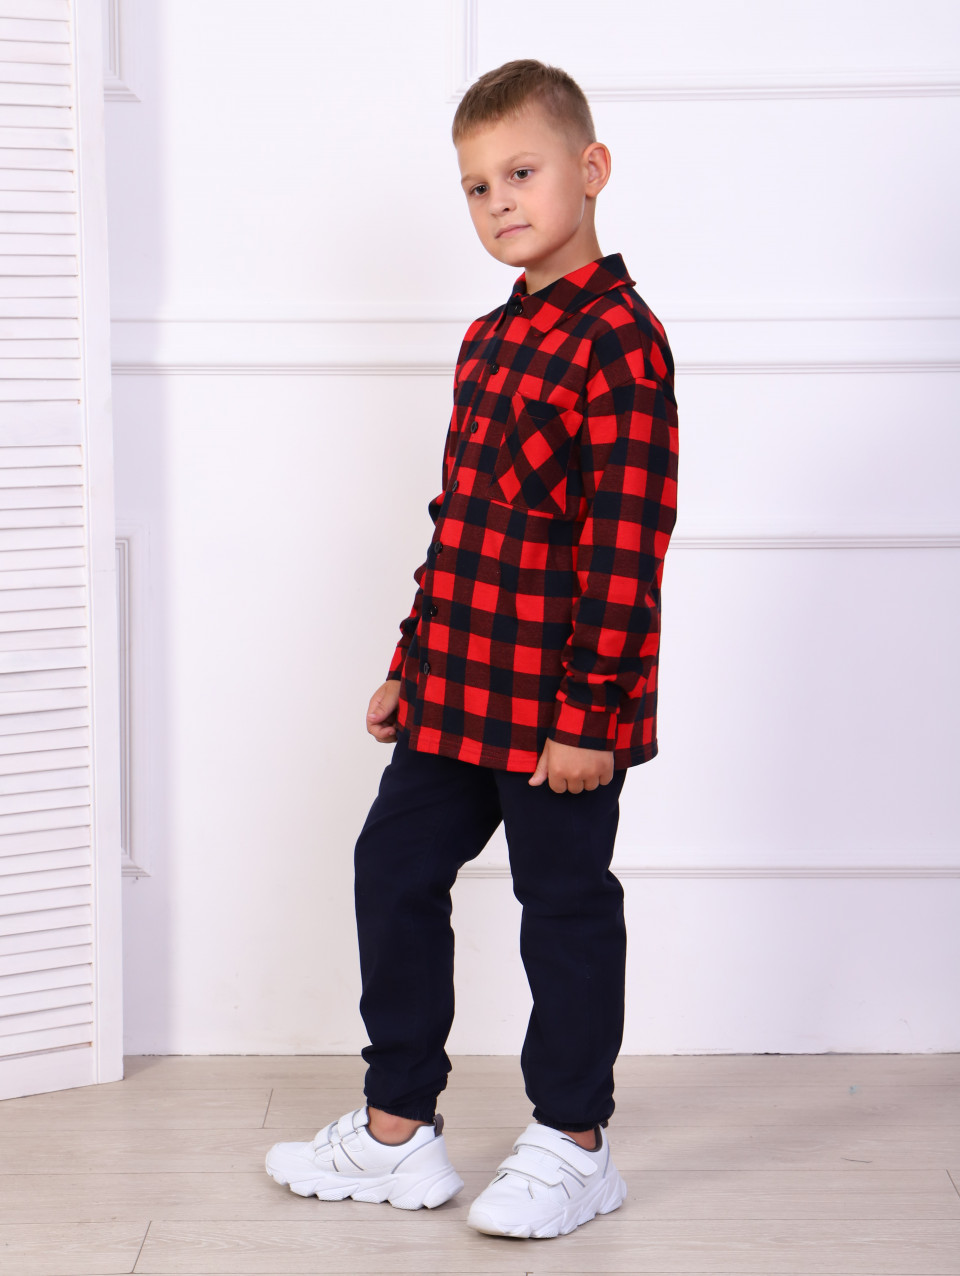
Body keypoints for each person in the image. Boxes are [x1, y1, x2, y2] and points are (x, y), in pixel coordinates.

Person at [266, 57, 679, 1240]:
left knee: (562, 905)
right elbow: (459, 520)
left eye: (522, 172)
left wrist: (588, 719)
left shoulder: (624, 345)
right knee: (391, 867)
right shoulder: (488, 342)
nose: (500, 201)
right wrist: (411, 657)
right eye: (477, 185)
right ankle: (398, 1126)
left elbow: (625, 547)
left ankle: (575, 1141)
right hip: (456, 687)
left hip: (558, 709)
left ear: (590, 171)